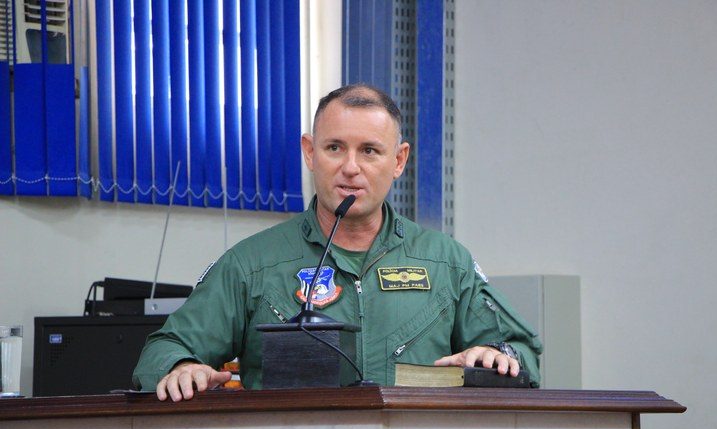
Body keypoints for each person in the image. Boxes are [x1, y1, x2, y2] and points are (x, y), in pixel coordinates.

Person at [132, 84, 542, 401]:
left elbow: (521, 351)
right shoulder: (253, 264)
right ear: (310, 152)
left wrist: (493, 357)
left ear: (398, 161)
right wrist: (183, 366)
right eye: (334, 148)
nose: (350, 168)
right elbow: (162, 351)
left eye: (369, 151)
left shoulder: (445, 262)